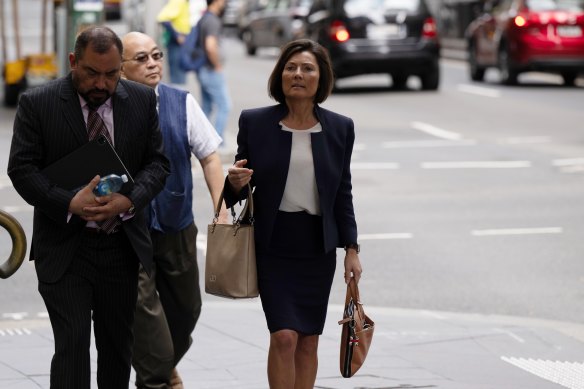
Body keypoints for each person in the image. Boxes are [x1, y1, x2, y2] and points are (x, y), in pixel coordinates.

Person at [7, 26, 170, 389]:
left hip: (121, 247)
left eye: (111, 74)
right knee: (73, 343)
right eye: (92, 73)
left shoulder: (142, 101)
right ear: (73, 62)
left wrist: (128, 201)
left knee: (117, 348)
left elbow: (157, 164)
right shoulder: (39, 103)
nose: (102, 84)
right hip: (65, 248)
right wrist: (68, 201)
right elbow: (21, 169)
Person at [224, 39, 363, 389]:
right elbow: (236, 194)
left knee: (309, 339)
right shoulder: (255, 123)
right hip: (273, 244)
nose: (297, 74)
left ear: (321, 78)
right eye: (290, 67)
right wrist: (235, 182)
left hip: (316, 247)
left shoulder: (340, 128)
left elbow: (342, 192)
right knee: (284, 335)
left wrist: (351, 248)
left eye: (307, 68)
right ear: (280, 75)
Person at [120, 31, 227, 389]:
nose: (152, 64)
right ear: (119, 69)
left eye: (156, 55)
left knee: (187, 310)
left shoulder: (180, 102)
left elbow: (210, 156)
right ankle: (158, 376)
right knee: (144, 312)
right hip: (127, 232)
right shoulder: (109, 108)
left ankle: (162, 366)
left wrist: (221, 207)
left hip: (176, 225)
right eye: (141, 59)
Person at [196, 0, 231, 141]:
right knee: (225, 105)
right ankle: (216, 140)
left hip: (203, 69)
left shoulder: (205, 18)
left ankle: (200, 138)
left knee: (206, 107)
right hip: (210, 70)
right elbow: (210, 46)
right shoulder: (212, 20)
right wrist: (217, 65)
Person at [157, 0, 190, 85]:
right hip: (176, 43)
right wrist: (177, 35)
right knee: (177, 75)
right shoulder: (178, 1)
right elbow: (162, 19)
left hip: (180, 42)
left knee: (179, 72)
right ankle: (177, 96)